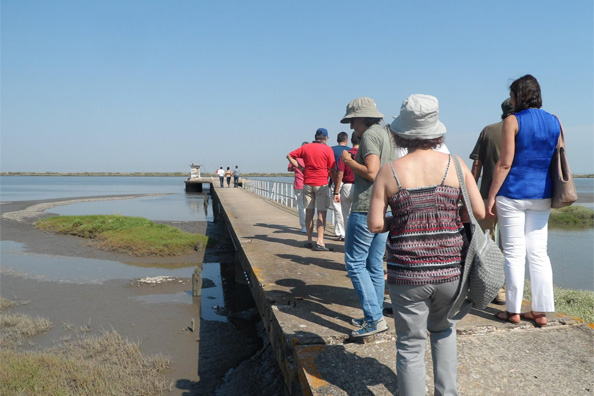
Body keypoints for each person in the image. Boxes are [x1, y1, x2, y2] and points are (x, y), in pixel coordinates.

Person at [368, 94, 484, 395]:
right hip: (450, 272)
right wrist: (447, 214)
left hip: (407, 275)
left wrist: (404, 219)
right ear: (437, 132)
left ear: (400, 133)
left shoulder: (389, 171)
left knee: (409, 344)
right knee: (444, 331)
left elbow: (376, 224)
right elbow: (479, 212)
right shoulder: (456, 165)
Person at [487, 75, 560, 327]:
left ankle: (513, 311)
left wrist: (491, 195)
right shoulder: (555, 121)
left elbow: (505, 162)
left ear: (519, 95)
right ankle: (540, 312)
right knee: (539, 254)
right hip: (542, 194)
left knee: (514, 254)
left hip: (513, 192)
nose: (510, 99)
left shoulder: (512, 120)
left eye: (512, 94)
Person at [339, 97, 398, 338]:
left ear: (362, 118)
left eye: (353, 121)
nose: (352, 127)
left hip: (366, 207)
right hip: (387, 207)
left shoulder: (370, 136)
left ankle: (374, 319)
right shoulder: (388, 134)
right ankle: (375, 313)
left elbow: (372, 173)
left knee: (354, 263)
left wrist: (349, 161)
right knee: (374, 264)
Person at [469, 98, 514, 305]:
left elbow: (477, 164)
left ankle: (484, 285)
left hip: (487, 194)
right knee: (509, 246)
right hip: (513, 195)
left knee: (485, 244)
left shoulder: (488, 130)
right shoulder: (519, 130)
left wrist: (472, 192)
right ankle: (503, 291)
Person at [287, 128, 336, 251]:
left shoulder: (306, 147)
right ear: (325, 138)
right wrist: (336, 185)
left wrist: (301, 168)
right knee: (321, 213)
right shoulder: (327, 149)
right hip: (321, 184)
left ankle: (309, 240)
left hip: (307, 183)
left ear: (315, 137)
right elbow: (332, 168)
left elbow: (289, 155)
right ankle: (320, 241)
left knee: (309, 213)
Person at [333, 132, 360, 237]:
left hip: (347, 186)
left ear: (351, 141)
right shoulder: (364, 154)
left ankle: (348, 238)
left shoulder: (345, 154)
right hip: (361, 187)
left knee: (346, 216)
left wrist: (336, 192)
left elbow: (340, 174)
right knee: (360, 215)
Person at [330, 132, 351, 240]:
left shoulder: (331, 150)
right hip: (348, 181)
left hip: (336, 180)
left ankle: (340, 232)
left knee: (337, 208)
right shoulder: (350, 150)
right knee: (348, 209)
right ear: (346, 140)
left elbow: (330, 168)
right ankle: (344, 232)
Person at [288, 142, 309, 233]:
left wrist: (295, 169)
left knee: (301, 207)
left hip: (298, 185)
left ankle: (303, 226)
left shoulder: (296, 158)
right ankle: (310, 225)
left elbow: (289, 169)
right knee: (309, 207)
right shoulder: (310, 157)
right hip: (309, 184)